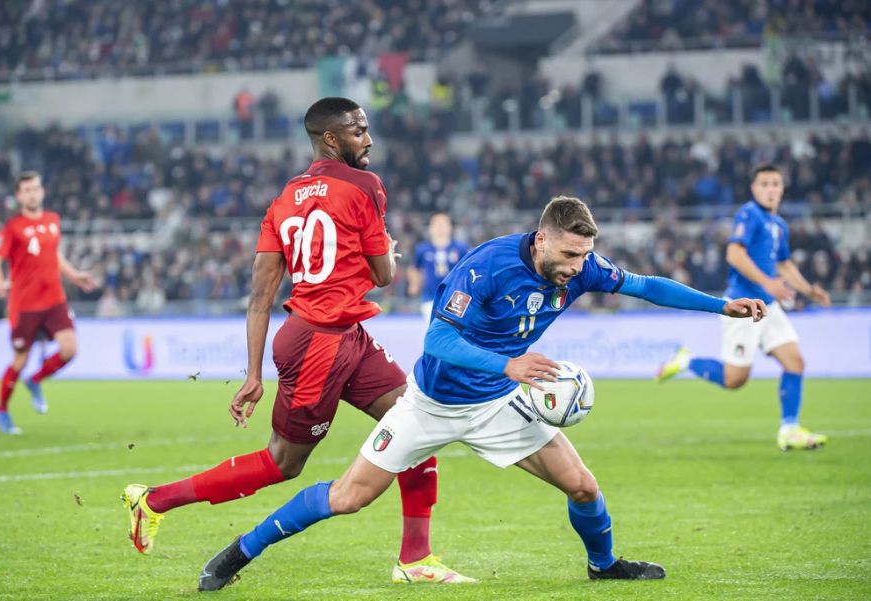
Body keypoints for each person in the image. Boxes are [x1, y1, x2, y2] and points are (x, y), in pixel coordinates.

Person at [195, 196, 767, 591]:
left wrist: (722, 305)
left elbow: (644, 286)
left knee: (583, 486)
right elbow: (439, 337)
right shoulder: (487, 266)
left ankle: (604, 565)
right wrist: (508, 363)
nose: (577, 267)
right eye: (568, 255)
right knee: (348, 498)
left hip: (499, 404)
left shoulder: (583, 267)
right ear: (541, 239)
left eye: (584, 256)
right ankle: (239, 552)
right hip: (431, 405)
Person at [122, 97, 472, 584]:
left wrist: (252, 373)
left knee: (416, 422)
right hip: (319, 347)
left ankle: (415, 560)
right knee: (282, 464)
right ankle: (155, 498)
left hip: (341, 334)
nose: (368, 139)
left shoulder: (284, 199)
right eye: (358, 131)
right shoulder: (366, 185)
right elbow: (384, 275)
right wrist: (388, 253)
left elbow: (259, 298)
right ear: (331, 138)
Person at [656, 163, 831, 451]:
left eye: (776, 183)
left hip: (770, 307)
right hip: (743, 307)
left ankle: (790, 429)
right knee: (734, 380)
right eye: (764, 184)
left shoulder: (779, 225)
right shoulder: (749, 214)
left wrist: (809, 290)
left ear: (782, 188)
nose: (771, 189)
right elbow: (734, 253)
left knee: (795, 362)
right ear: (754, 188)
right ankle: (685, 361)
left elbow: (784, 265)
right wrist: (768, 282)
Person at [0, 171, 97, 434]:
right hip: (25, 305)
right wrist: (0, 283)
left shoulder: (53, 220)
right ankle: (1, 410)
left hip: (54, 299)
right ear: (18, 196)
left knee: (69, 349)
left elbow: (54, 254)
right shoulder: (12, 227)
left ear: (42, 191)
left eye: (35, 188)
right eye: (26, 190)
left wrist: (74, 275)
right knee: (20, 360)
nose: (32, 194)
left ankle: (35, 381)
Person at [407, 213, 469, 319]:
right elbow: (414, 268)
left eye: (443, 225)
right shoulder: (422, 249)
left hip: (456, 297)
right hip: (430, 296)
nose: (440, 228)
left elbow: (468, 269)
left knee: (454, 329)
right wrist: (414, 283)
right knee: (432, 328)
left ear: (450, 228)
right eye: (437, 225)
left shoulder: (461, 248)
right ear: (430, 228)